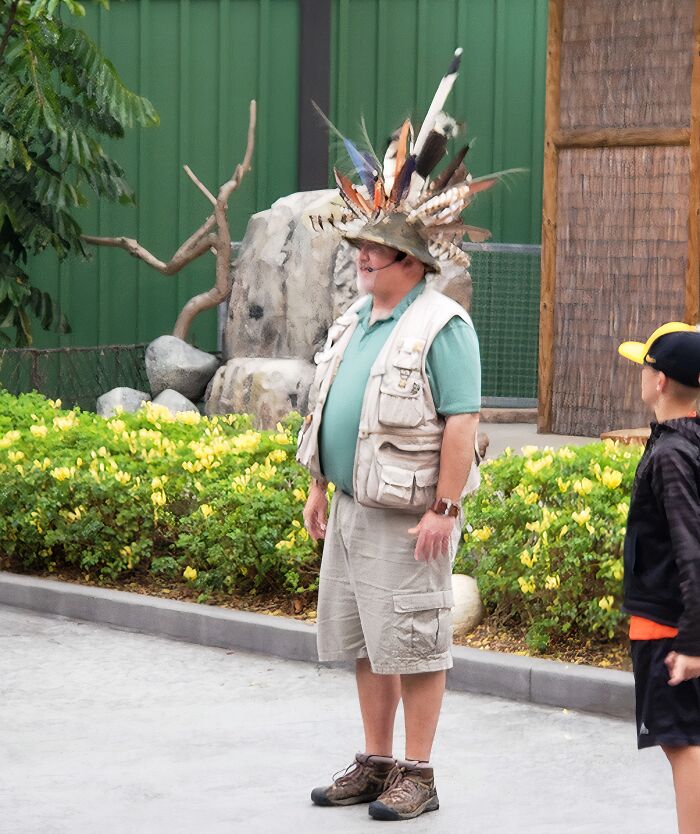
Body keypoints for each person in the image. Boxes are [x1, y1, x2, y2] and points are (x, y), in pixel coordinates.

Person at [295, 50, 501, 821]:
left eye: (371, 247)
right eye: (358, 245)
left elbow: (463, 422)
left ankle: (420, 771)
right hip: (351, 508)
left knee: (415, 643)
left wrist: (444, 510)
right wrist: (318, 485)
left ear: (408, 260)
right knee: (362, 641)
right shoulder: (356, 318)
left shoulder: (442, 324)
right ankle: (377, 760)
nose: (359, 254)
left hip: (411, 517)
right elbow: (325, 406)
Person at [618, 322, 700, 834]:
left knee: (682, 744)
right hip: (676, 624)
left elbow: (692, 551)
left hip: (668, 628)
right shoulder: (685, 443)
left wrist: (691, 642)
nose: (641, 375)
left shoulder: (672, 454)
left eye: (644, 366)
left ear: (662, 380)